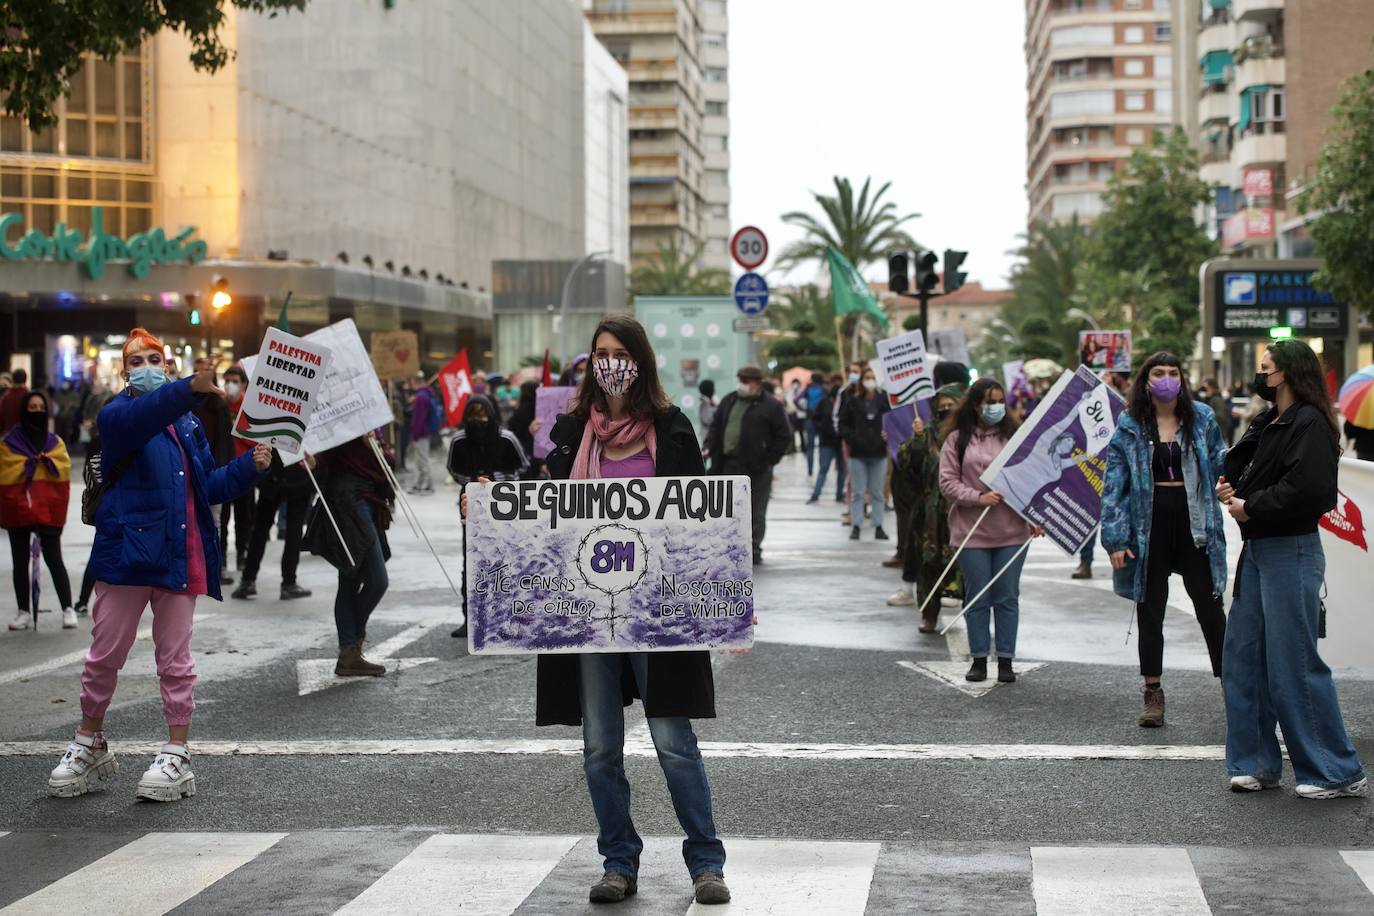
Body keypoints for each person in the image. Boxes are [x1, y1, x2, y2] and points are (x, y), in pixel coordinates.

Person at [512, 314, 730, 906]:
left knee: (672, 740)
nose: (609, 362)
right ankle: (618, 862)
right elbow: (539, 508)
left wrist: (723, 602)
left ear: (639, 360)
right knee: (600, 746)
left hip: (657, 612)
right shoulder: (570, 433)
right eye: (600, 352)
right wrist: (481, 501)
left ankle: (706, 863)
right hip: (588, 612)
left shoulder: (673, 429)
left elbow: (704, 517)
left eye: (619, 352)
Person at [46, 329, 269, 802]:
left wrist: (251, 467)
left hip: (178, 555)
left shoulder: (187, 423)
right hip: (127, 553)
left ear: (165, 366)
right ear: (124, 371)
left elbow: (206, 485)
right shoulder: (117, 414)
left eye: (154, 358)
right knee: (104, 655)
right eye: (136, 360)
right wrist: (188, 387)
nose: (145, 365)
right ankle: (90, 740)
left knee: (176, 662)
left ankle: (177, 753)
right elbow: (147, 414)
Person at [1218, 339, 1367, 798]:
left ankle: (1334, 770)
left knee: (1293, 664)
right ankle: (1256, 763)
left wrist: (1250, 506)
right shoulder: (1271, 420)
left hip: (1290, 548)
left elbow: (1310, 491)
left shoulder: (1312, 423)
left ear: (1287, 373)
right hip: (1259, 549)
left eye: (1266, 368)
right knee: (1243, 659)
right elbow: (1241, 465)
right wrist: (1233, 491)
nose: (1260, 375)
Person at [1101, 353, 1228, 728]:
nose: (1167, 379)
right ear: (1146, 380)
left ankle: (1234, 687)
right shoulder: (1130, 424)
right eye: (1159, 373)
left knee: (1210, 607)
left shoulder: (1202, 418)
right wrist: (1115, 538)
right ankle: (1153, 692)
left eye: (1174, 373)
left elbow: (1222, 465)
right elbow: (1113, 486)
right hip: (1148, 524)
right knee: (1150, 608)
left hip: (1195, 523)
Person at [939, 379, 1039, 684]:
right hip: (971, 532)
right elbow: (946, 482)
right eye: (987, 401)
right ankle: (979, 658)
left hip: (1012, 533)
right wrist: (976, 497)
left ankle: (1006, 659)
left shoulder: (1017, 438)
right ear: (973, 404)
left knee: (1007, 597)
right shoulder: (956, 440)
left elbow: (1033, 478)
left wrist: (1038, 516)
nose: (993, 407)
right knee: (977, 597)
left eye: (998, 400)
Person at [446, 393, 529, 638]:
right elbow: (453, 468)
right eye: (473, 416)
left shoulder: (507, 438)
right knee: (471, 560)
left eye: (483, 415)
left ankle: (506, 615)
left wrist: (498, 482)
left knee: (506, 558)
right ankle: (470, 616)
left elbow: (522, 466)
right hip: (471, 505)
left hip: (505, 504)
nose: (478, 421)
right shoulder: (459, 440)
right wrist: (472, 483)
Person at [317, 432, 396, 677]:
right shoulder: (339, 421)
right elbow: (321, 459)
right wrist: (312, 463)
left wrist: (372, 445)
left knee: (350, 578)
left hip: (371, 500)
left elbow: (390, 464)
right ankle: (351, 645)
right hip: (346, 501)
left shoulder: (371, 422)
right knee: (374, 579)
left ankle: (349, 652)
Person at [887, 385, 964, 632]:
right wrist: (917, 440)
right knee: (928, 564)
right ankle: (929, 614)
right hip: (929, 514)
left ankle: (972, 612)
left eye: (950, 404)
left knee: (965, 562)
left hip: (961, 510)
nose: (945, 409)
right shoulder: (926, 433)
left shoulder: (969, 434)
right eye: (941, 405)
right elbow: (908, 465)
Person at [1, 391, 76, 630]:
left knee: (54, 558)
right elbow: (6, 470)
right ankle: (23, 611)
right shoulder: (9, 443)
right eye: (31, 408)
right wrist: (29, 463)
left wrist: (42, 462)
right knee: (19, 561)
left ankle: (68, 608)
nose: (36, 411)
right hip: (19, 508)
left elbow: (62, 468)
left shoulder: (54, 443)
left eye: (40, 407)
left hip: (47, 508)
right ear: (24, 411)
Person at [703, 365, 789, 564]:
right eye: (740, 380)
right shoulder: (729, 400)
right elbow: (716, 427)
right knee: (727, 509)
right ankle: (728, 547)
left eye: (746, 381)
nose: (741, 384)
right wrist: (708, 446)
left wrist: (769, 459)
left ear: (757, 383)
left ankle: (754, 549)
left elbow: (783, 436)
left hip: (757, 467)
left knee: (756, 510)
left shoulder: (772, 406)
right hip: (728, 464)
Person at [231, 450, 313, 601]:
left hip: (273, 472)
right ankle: (288, 583)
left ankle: (248, 580)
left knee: (261, 529)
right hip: (298, 471)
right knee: (292, 529)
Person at [839, 365, 891, 541]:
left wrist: (888, 435)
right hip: (858, 453)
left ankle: (878, 526)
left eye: (872, 377)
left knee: (877, 492)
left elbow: (892, 420)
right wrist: (852, 438)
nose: (870, 381)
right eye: (867, 377)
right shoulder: (853, 401)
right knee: (858, 492)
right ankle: (856, 525)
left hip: (878, 452)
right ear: (862, 381)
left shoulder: (884, 400)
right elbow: (842, 423)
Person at [219, 365, 256, 581]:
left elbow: (253, 439)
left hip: (244, 470)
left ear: (243, 384)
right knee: (222, 518)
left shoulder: (249, 407)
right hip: (223, 470)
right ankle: (221, 558)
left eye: (234, 380)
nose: (230, 384)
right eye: (227, 380)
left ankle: (242, 553)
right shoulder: (219, 406)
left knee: (245, 516)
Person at [807, 373, 847, 505]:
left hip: (840, 441)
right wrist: (822, 428)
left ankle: (839, 494)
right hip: (826, 442)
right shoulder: (824, 402)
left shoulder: (845, 403)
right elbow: (815, 418)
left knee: (842, 469)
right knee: (823, 468)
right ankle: (815, 494)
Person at [408, 373, 438, 495]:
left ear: (416, 382)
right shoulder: (425, 395)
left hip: (421, 433)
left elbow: (419, 418)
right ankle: (421, 484)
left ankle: (428, 486)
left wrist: (415, 434)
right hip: (425, 432)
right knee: (420, 459)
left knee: (422, 460)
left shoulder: (421, 397)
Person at [800, 371, 825, 477]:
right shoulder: (824, 389)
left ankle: (810, 470)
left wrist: (803, 409)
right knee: (821, 446)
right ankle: (821, 469)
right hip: (822, 420)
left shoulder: (807, 388)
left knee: (810, 447)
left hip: (809, 419)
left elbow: (796, 399)